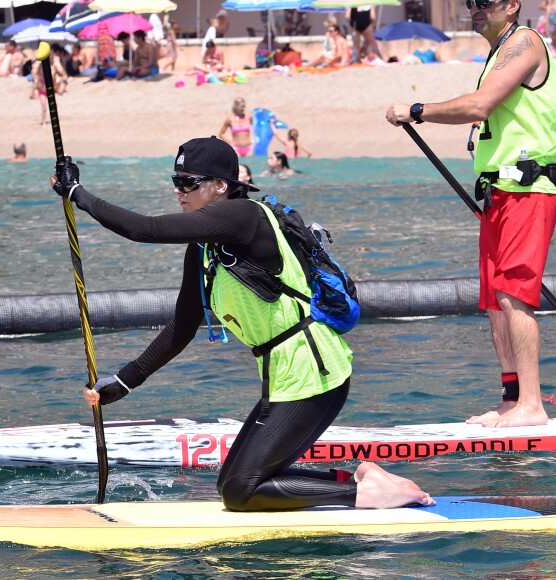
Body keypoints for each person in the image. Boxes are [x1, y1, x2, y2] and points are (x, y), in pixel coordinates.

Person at [50, 137, 434, 512]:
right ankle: (358, 480)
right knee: (231, 483)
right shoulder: (202, 249)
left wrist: (78, 194)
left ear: (220, 186)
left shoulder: (244, 216)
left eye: (188, 183)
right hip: (284, 373)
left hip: (314, 370)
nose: (179, 191)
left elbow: (145, 230)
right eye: (175, 182)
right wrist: (124, 381)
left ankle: (370, 497)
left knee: (241, 491)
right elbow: (182, 326)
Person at [386, 0, 556, 428]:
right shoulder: (499, 50)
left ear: (512, 5)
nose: (474, 9)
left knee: (514, 293)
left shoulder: (524, 42)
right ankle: (512, 397)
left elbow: (481, 105)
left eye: (485, 2)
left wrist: (416, 111)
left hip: (529, 189)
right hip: (498, 192)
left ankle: (532, 405)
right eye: (469, 3)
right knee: (495, 299)